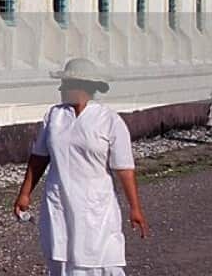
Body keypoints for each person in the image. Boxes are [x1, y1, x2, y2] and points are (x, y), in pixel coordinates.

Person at [14, 57, 149, 276]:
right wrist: (25, 194)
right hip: (59, 200)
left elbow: (124, 168)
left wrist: (135, 208)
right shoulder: (55, 116)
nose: (61, 89)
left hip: (96, 204)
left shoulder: (109, 120)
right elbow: (39, 158)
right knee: (62, 255)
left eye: (66, 85)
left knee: (97, 257)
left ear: (82, 87)